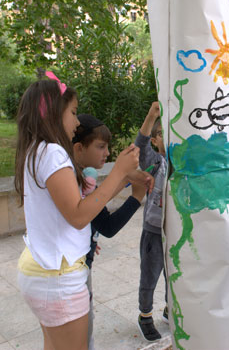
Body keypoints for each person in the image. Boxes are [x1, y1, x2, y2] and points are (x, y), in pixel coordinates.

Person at [14, 76, 152, 350]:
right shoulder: (53, 153)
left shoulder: (35, 150)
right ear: (53, 112)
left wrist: (124, 180)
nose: (76, 122)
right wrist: (120, 172)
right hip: (58, 277)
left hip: (43, 271)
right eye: (73, 112)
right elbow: (78, 215)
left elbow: (79, 205)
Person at [72, 113, 148, 350]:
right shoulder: (74, 182)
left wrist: (126, 180)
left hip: (81, 267)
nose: (106, 153)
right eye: (101, 146)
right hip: (74, 274)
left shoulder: (79, 178)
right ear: (78, 148)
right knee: (81, 336)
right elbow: (107, 225)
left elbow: (96, 207)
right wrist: (136, 196)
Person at [134, 101, 169, 342]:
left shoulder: (183, 166)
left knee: (175, 275)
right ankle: (145, 315)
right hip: (154, 232)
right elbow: (140, 146)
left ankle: (171, 310)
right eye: (162, 134)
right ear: (156, 140)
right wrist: (150, 116)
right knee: (150, 276)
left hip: (176, 234)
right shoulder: (156, 162)